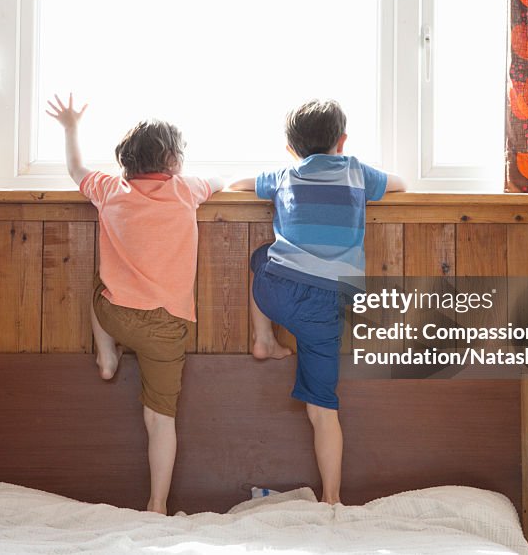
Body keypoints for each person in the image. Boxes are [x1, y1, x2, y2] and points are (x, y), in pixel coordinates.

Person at [47, 93, 223, 514]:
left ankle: (106, 355)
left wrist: (71, 128)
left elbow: (75, 168)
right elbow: (218, 180)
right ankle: (157, 504)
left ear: (126, 161)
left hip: (118, 316)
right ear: (174, 160)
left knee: (101, 281)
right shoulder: (186, 190)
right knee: (160, 419)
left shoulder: (110, 189)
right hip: (167, 328)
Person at [228, 98, 405, 505]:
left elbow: (238, 184)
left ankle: (263, 340)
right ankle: (332, 499)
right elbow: (401, 183)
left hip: (279, 290)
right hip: (326, 305)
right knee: (323, 407)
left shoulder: (285, 172)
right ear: (342, 142)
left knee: (260, 257)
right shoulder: (357, 173)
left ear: (291, 148)